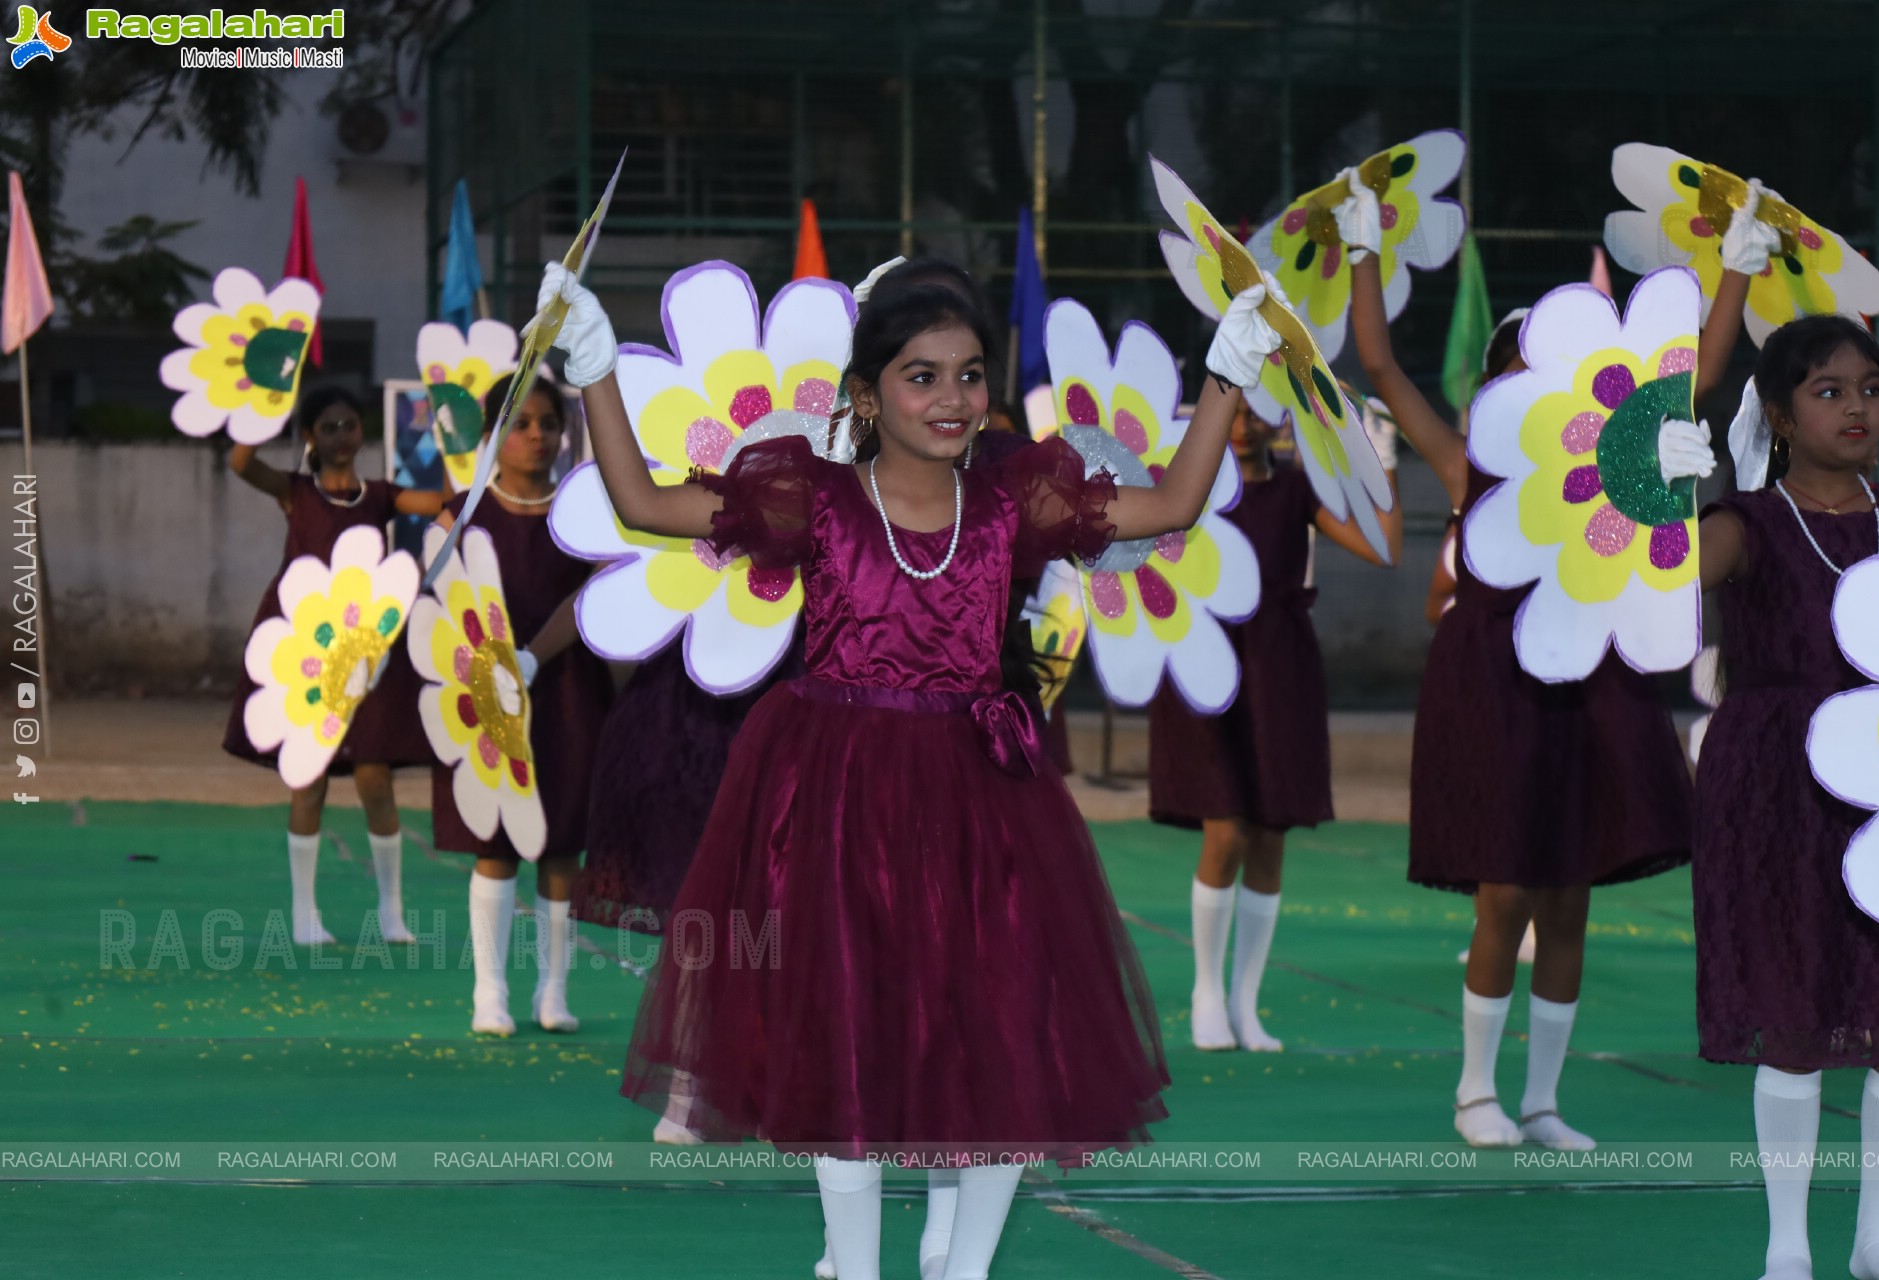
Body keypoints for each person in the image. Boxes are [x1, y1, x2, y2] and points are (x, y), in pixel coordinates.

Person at [550, 250, 1282, 1280]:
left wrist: (1225, 374)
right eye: (922, 374)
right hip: (838, 794)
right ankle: (855, 1263)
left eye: (971, 372)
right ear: (867, 392)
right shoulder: (813, 498)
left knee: (998, 1021)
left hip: (982, 796)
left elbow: (1168, 507)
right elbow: (637, 503)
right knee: (846, 1025)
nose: (952, 397)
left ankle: (964, 1266)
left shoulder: (1012, 501)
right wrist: (592, 365)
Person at [1344, 177, 1691, 1150]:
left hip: (1594, 682)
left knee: (1572, 889)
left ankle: (1540, 1099)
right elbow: (1378, 359)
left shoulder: (1617, 468)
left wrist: (1730, 271)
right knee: (1507, 887)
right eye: (1514, 367)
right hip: (1495, 686)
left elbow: (1689, 373)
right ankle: (1473, 1092)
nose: (1525, 382)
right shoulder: (1469, 466)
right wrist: (1368, 247)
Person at [1687, 315, 1879, 1280]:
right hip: (1773, 786)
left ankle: (1876, 1238)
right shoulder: (1743, 524)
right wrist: (1668, 494)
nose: (1857, 406)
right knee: (1789, 1011)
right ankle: (1788, 1245)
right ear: (1779, 416)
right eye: (1829, 391)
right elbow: (1653, 589)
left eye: (1869, 387)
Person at [1148, 398, 1401, 1052]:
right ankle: (1206, 990)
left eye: (1260, 411)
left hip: (1281, 667)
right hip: (1208, 664)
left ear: (1280, 421)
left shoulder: (1297, 489)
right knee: (1226, 828)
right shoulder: (1190, 489)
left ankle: (1245, 1002)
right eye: (1236, 409)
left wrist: (1383, 459)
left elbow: (1386, 547)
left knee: (1269, 835)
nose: (1246, 423)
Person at [222, 386, 443, 946]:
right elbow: (240, 462)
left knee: (375, 779)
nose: (341, 435)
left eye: (349, 424)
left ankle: (392, 914)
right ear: (309, 437)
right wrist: (267, 400)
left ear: (361, 431)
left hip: (371, 650)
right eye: (328, 426)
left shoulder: (382, 494)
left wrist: (469, 448)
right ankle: (304, 917)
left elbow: (447, 501)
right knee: (310, 779)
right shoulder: (294, 491)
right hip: (305, 648)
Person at [433, 376, 612, 1036]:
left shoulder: (587, 515)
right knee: (496, 839)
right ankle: (490, 994)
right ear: (493, 435)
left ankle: (553, 993)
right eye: (522, 423)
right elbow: (436, 611)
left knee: (561, 842)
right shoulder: (460, 515)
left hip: (566, 693)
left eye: (549, 423)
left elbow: (594, 597)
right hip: (487, 700)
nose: (538, 435)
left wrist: (533, 656)